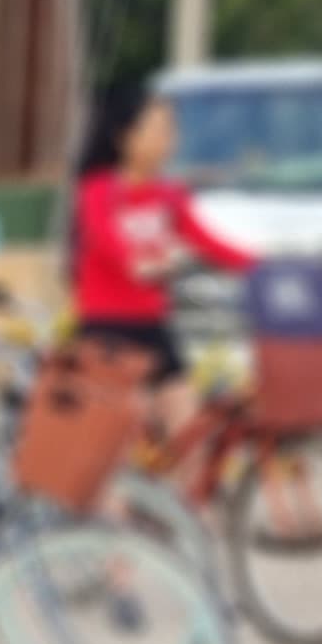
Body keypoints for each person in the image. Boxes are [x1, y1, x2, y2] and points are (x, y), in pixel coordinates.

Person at [69, 77, 252, 425]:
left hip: (153, 325)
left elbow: (207, 240)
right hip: (107, 328)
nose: (167, 139)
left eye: (170, 130)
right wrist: (140, 265)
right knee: (119, 429)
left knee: (186, 419)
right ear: (125, 137)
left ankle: (177, 482)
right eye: (156, 129)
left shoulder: (170, 194)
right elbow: (106, 241)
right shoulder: (97, 190)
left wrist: (262, 265)